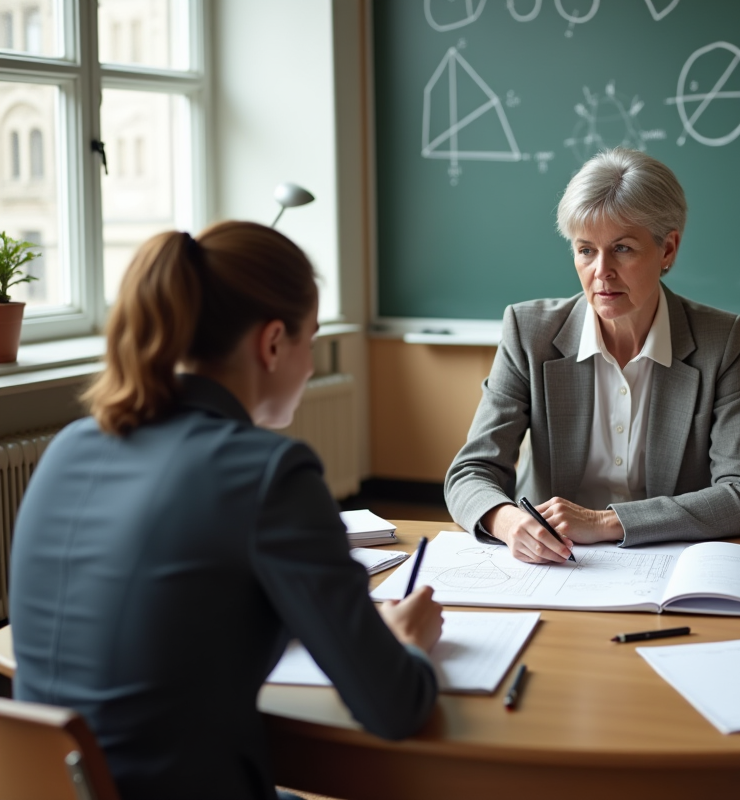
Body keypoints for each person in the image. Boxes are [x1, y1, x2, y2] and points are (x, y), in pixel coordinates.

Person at [10, 222, 443, 800]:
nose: (310, 366)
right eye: (311, 342)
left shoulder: (70, 446)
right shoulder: (268, 472)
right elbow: (393, 707)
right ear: (272, 343)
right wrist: (406, 644)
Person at [445, 148, 740, 563]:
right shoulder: (529, 333)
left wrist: (606, 522)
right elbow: (470, 473)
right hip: (553, 564)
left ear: (667, 250)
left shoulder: (719, 341)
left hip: (664, 562)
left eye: (622, 248)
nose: (601, 271)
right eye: (586, 250)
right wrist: (509, 523)